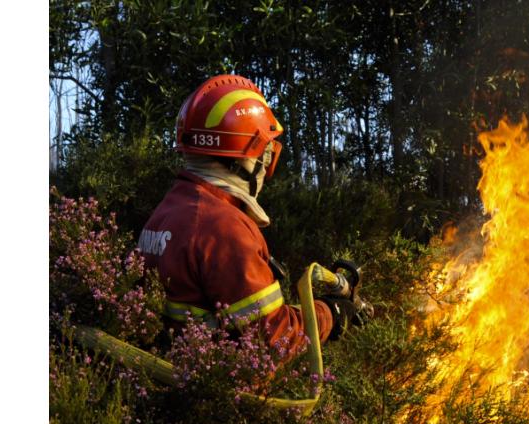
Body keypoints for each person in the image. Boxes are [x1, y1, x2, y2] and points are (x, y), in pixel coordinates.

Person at [138, 74, 363, 358]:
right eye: (265, 153)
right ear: (245, 156)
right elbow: (273, 339)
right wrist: (330, 313)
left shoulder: (167, 211)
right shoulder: (224, 228)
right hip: (216, 392)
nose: (267, 165)